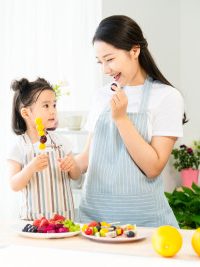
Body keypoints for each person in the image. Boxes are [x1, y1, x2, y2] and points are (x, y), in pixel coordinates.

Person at [75, 15, 186, 227]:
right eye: (100, 62)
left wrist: (121, 118)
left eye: (110, 59)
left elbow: (153, 167)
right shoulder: (101, 96)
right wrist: (60, 163)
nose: (105, 70)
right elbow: (88, 158)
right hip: (95, 220)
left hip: (145, 223)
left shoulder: (167, 96)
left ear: (134, 51)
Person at [6, 77, 81, 221]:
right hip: (34, 222)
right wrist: (30, 168)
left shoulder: (61, 141)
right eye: (46, 106)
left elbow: (76, 176)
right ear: (26, 113)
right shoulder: (19, 146)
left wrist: (72, 166)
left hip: (63, 220)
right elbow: (14, 185)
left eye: (54, 105)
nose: (53, 111)